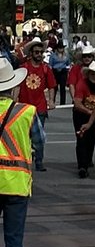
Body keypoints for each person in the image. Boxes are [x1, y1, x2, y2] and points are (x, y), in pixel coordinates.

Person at [0, 57, 34, 247]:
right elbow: (39, 141)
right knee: (14, 243)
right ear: (12, 87)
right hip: (17, 184)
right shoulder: (26, 112)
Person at [18, 38, 56, 171]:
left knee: (39, 137)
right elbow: (17, 85)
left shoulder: (46, 69)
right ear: (31, 53)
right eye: (36, 52)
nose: (39, 54)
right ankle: (26, 160)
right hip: (24, 108)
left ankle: (39, 162)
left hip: (39, 108)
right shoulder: (23, 69)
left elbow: (52, 86)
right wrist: (14, 101)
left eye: (41, 52)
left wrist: (51, 101)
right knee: (24, 137)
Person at [72, 58, 95, 179]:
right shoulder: (82, 84)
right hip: (81, 113)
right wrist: (89, 112)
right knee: (81, 137)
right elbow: (77, 103)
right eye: (93, 73)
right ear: (88, 74)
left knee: (91, 137)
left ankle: (88, 160)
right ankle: (82, 166)